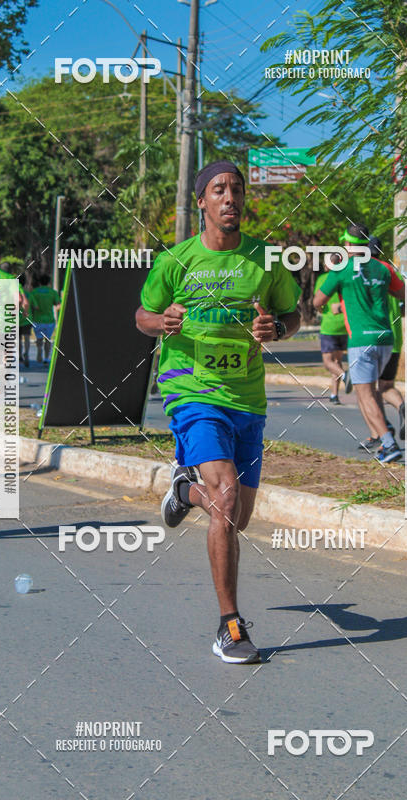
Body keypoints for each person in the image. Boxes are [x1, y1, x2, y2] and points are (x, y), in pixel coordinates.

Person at [135, 159, 301, 664]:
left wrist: (279, 330)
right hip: (191, 391)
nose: (230, 198)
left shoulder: (266, 261)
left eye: (236, 190)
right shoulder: (176, 261)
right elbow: (141, 316)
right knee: (226, 499)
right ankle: (231, 627)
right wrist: (161, 321)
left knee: (238, 518)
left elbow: (292, 315)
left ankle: (184, 488)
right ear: (202, 202)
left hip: (247, 398)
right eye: (219, 190)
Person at [313, 223, 405, 463]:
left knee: (365, 394)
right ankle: (385, 437)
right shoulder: (384, 268)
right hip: (386, 338)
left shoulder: (341, 269)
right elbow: (404, 294)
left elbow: (317, 301)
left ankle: (388, 442)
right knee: (376, 389)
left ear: (347, 244)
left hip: (361, 341)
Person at [369, 236, 405, 444]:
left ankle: (379, 434)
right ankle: (401, 407)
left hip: (374, 336)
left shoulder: (366, 271)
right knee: (386, 385)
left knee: (369, 388)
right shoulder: (391, 272)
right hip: (395, 337)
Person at [314, 259, 351, 404]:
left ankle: (345, 375)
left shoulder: (324, 278)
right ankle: (334, 394)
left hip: (329, 325)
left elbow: (318, 301)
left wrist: (321, 311)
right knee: (337, 360)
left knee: (328, 362)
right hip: (344, 324)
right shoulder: (346, 277)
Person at [30, 274, 60, 364]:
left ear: (39, 282)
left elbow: (32, 306)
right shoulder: (52, 292)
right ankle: (46, 358)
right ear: (48, 282)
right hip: (49, 320)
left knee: (39, 339)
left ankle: (39, 351)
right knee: (48, 339)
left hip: (37, 319)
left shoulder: (34, 292)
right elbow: (58, 305)